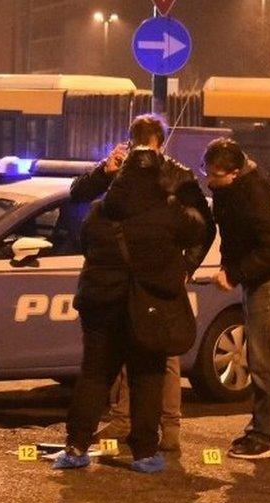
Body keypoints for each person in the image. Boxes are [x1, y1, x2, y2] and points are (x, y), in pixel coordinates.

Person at [54, 115, 213, 472]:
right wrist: (182, 267)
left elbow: (84, 236)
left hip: (101, 303)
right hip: (151, 303)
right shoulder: (169, 212)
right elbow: (200, 228)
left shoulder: (99, 212)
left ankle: (77, 447)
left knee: (94, 374)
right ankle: (144, 452)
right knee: (148, 375)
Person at [203, 138, 270, 460]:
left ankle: (262, 434)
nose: (209, 181)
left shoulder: (257, 194)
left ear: (235, 171)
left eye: (215, 175)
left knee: (262, 357)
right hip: (258, 280)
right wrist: (229, 267)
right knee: (260, 354)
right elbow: (234, 236)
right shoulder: (231, 192)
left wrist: (234, 273)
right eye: (207, 172)